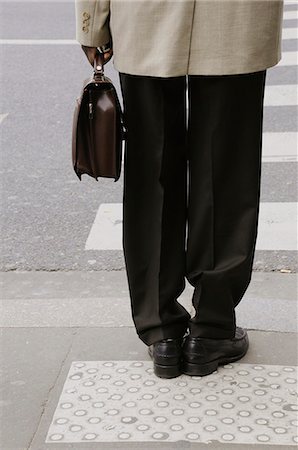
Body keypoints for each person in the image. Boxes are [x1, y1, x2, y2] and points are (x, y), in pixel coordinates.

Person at [75, 0, 284, 379]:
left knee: (151, 167)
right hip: (237, 14)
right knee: (228, 167)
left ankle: (162, 331)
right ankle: (211, 331)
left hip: (145, 15)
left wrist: (92, 23)